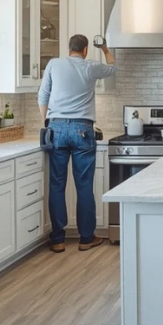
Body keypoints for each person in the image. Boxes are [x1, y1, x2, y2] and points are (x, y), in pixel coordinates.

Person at [38, 34, 117, 253]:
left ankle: (58, 239)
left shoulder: (54, 64)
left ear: (69, 48)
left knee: (57, 185)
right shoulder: (90, 66)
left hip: (57, 128)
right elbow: (112, 68)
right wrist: (105, 48)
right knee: (83, 186)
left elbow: (42, 96)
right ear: (84, 50)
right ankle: (85, 238)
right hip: (83, 130)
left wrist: (47, 122)